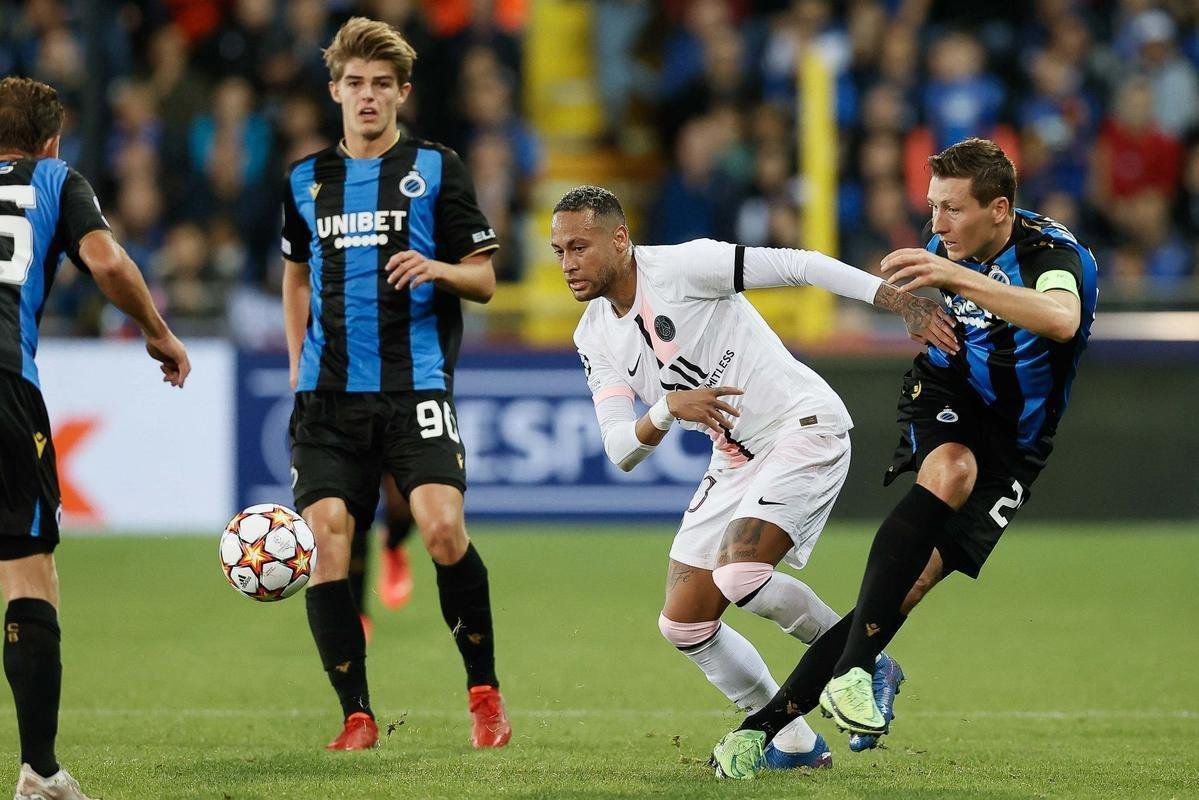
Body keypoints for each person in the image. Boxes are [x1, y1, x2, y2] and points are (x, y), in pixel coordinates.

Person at [711, 137, 1099, 779]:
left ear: (999, 208)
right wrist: (923, 305)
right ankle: (848, 677)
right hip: (948, 390)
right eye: (932, 207)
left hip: (1020, 440)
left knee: (903, 591)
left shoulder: (1052, 255)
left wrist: (954, 277)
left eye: (951, 210)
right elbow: (946, 299)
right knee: (951, 469)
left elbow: (1061, 319)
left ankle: (764, 730)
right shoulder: (956, 245)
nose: (937, 224)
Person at [550, 185, 957, 772]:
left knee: (740, 573)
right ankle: (793, 743)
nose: (567, 265)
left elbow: (801, 264)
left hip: (802, 424)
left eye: (579, 247)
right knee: (683, 623)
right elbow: (620, 449)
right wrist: (668, 409)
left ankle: (863, 660)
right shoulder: (593, 335)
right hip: (735, 458)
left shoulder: (685, 267)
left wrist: (896, 301)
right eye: (558, 251)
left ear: (619, 239)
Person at [281, 17, 510, 751]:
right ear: (334, 91)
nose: (368, 96)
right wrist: (297, 364)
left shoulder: (437, 169)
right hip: (327, 399)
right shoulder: (304, 178)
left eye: (382, 85)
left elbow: (484, 279)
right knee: (327, 540)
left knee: (443, 530)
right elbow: (293, 275)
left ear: (403, 92)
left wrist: (437, 268)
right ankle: (356, 714)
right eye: (355, 84)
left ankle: (484, 694)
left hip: (416, 391)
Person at [0, 77, 191, 800]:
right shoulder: (56, 177)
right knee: (26, 570)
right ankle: (40, 772)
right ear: (52, 139)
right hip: (3, 385)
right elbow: (107, 261)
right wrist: (158, 332)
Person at [348, 475, 417, 644]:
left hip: (394, 448)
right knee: (354, 513)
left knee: (403, 506)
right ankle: (357, 612)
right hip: (353, 449)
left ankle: (393, 545)